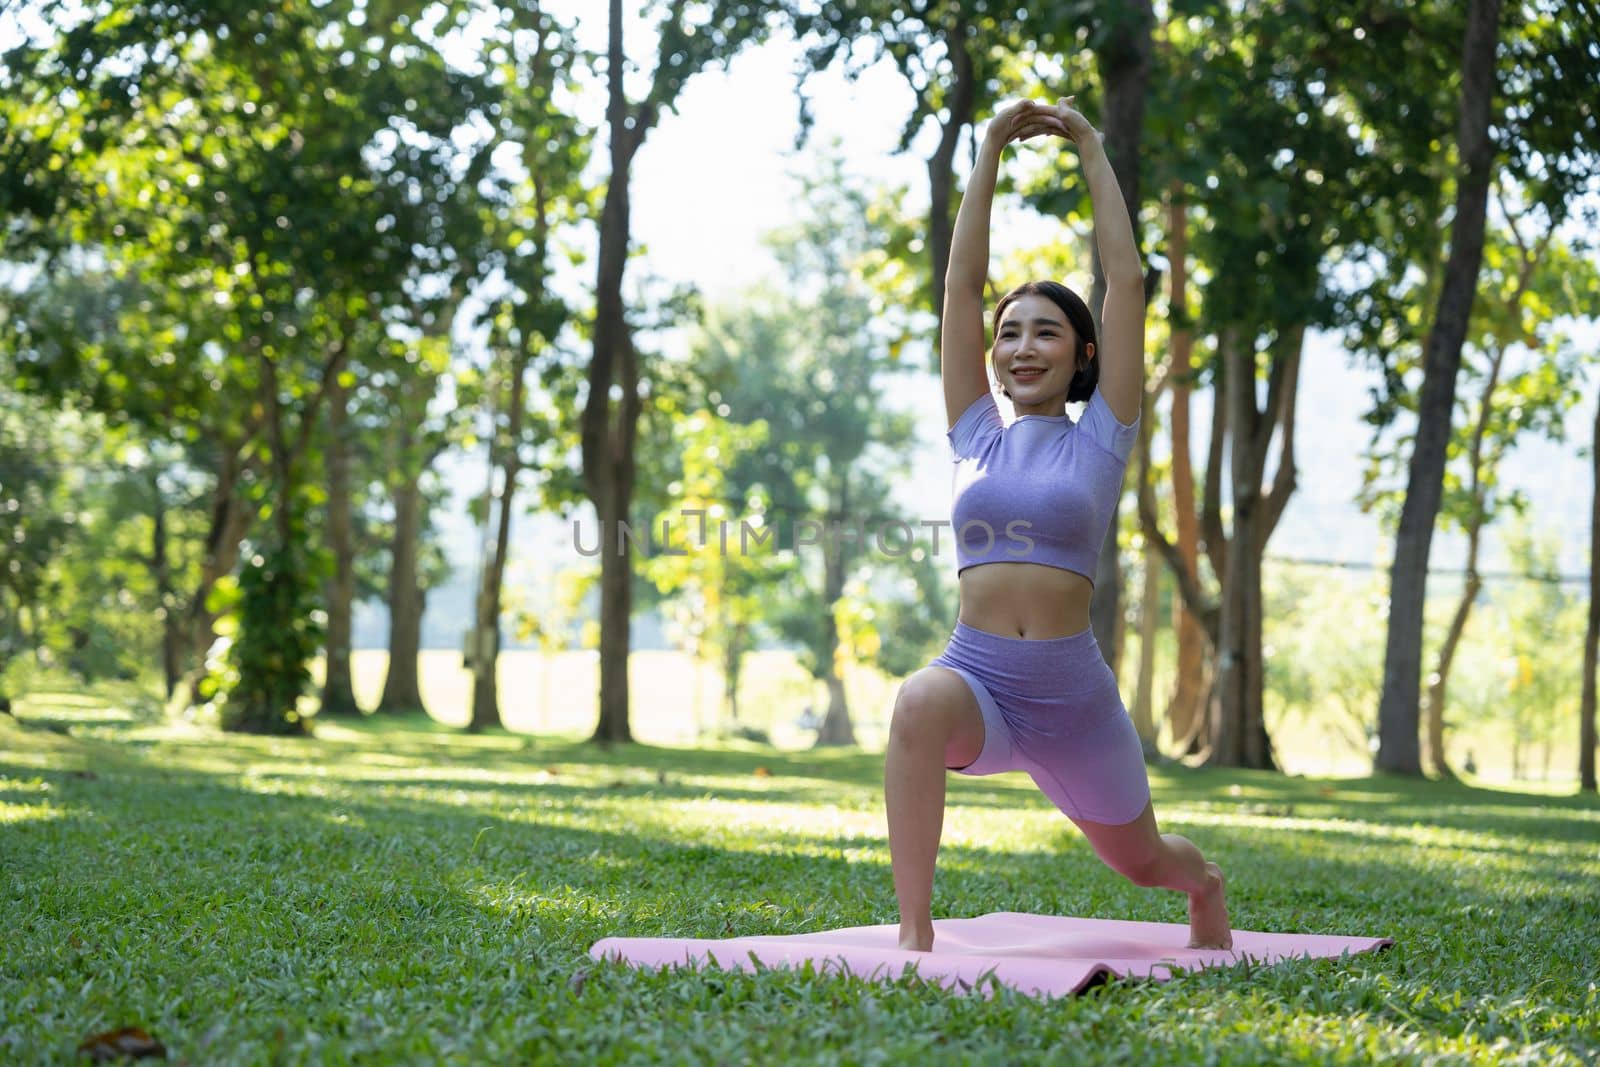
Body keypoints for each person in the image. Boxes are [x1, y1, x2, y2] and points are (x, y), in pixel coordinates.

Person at [884, 96, 1232, 952]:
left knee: (1144, 861)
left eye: (1047, 332)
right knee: (917, 700)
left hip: (1072, 703)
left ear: (1083, 355)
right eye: (1009, 334)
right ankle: (915, 934)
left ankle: (1206, 886)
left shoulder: (1103, 437)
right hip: (980, 684)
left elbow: (1128, 282)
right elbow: (960, 286)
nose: (1022, 346)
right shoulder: (973, 433)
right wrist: (992, 145)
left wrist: (1088, 144)